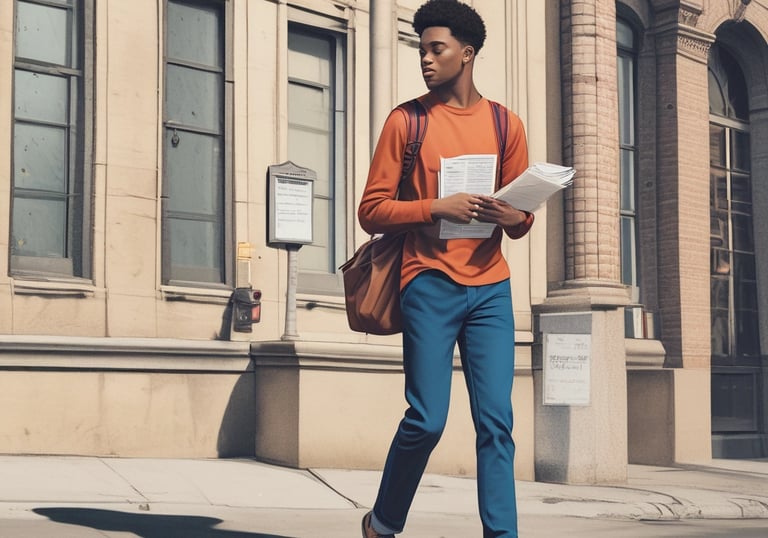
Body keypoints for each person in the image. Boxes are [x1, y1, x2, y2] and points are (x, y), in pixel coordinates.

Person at [357, 1, 533, 537]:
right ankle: (383, 521)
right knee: (427, 420)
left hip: (491, 291)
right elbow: (372, 211)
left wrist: (512, 215)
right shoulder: (406, 121)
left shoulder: (506, 124)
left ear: (467, 53)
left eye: (437, 49)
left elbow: (523, 219)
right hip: (427, 282)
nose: (426, 60)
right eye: (422, 50)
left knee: (496, 425)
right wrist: (436, 206)